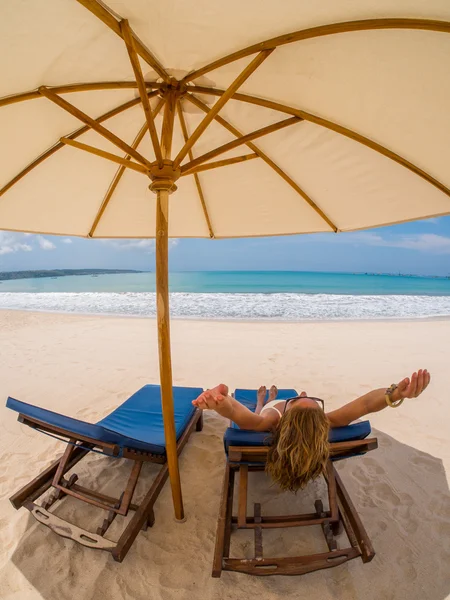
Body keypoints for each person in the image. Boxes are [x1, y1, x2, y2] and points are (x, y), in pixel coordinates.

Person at [192, 370, 431, 492]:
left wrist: (222, 403)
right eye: (310, 399)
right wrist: (395, 395)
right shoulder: (324, 421)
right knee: (260, 410)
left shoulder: (273, 419)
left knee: (259, 411)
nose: (302, 394)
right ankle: (265, 397)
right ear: (318, 418)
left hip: (266, 410)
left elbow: (242, 417)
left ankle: (263, 399)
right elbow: (366, 405)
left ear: (286, 412)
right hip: (279, 412)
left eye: (297, 399)